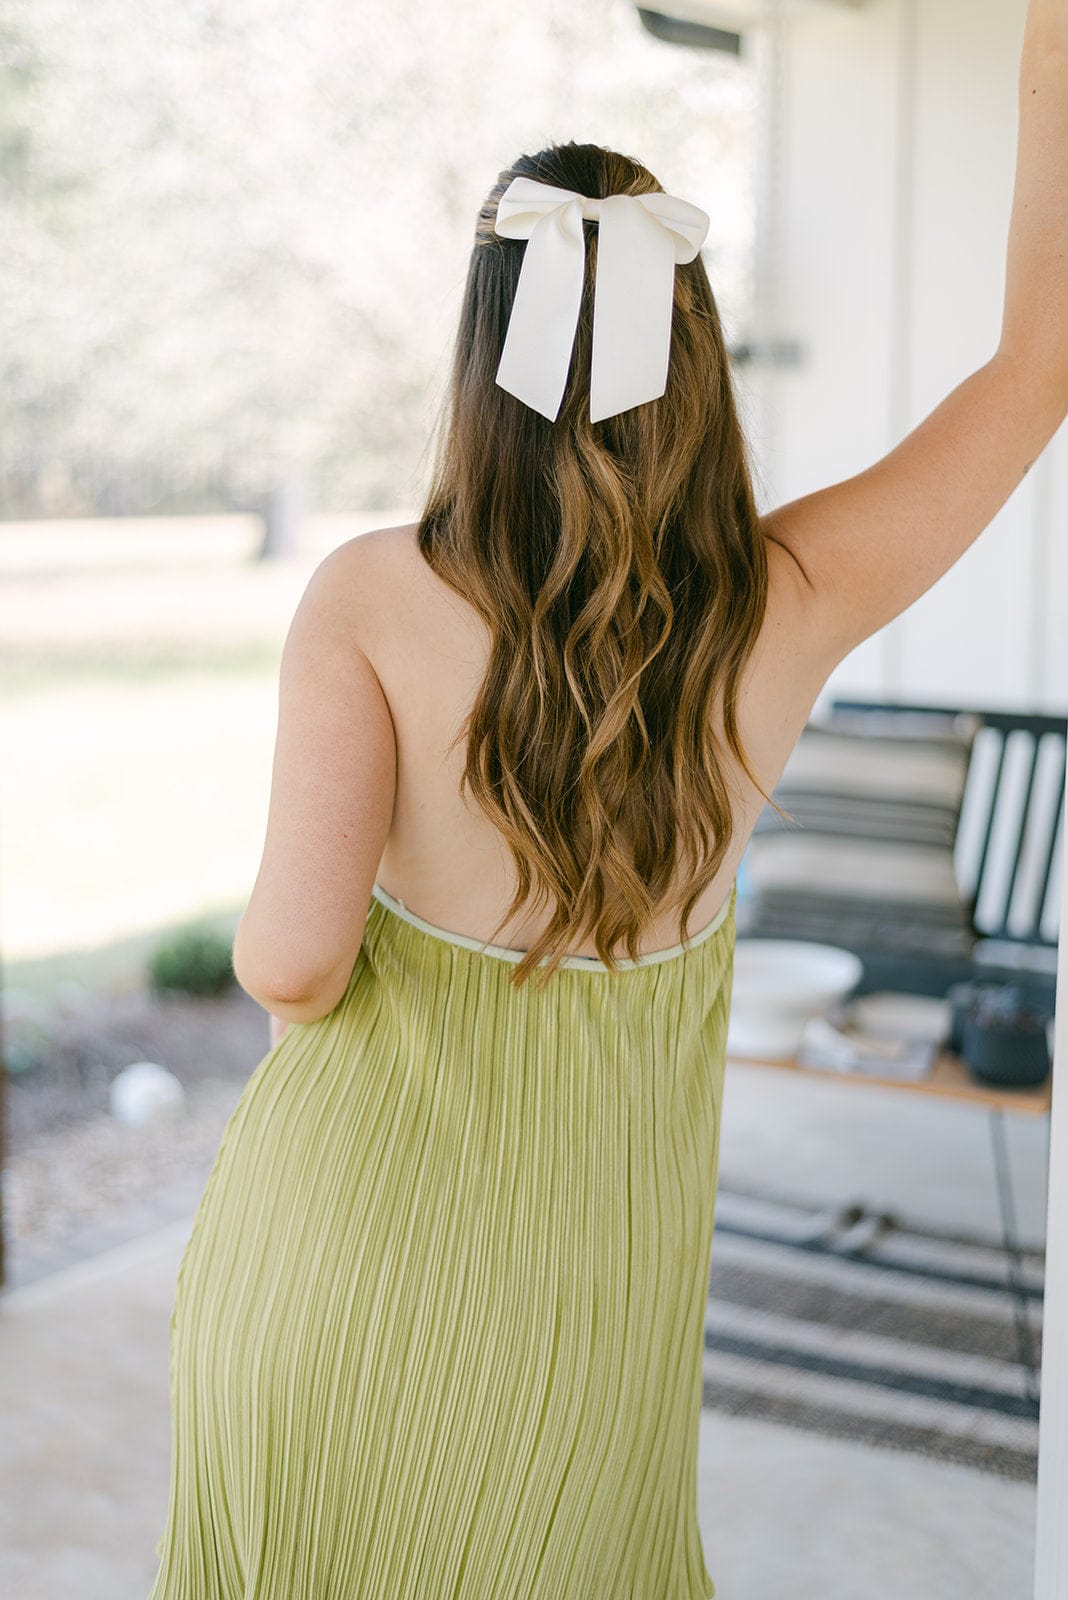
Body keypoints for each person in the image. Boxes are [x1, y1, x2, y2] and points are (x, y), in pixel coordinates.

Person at [147, 3, 1066, 1592]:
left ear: (481, 357)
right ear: (689, 348)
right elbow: (1043, 360)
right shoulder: (789, 597)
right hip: (589, 1327)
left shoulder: (371, 596)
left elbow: (293, 963)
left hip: (330, 1268)